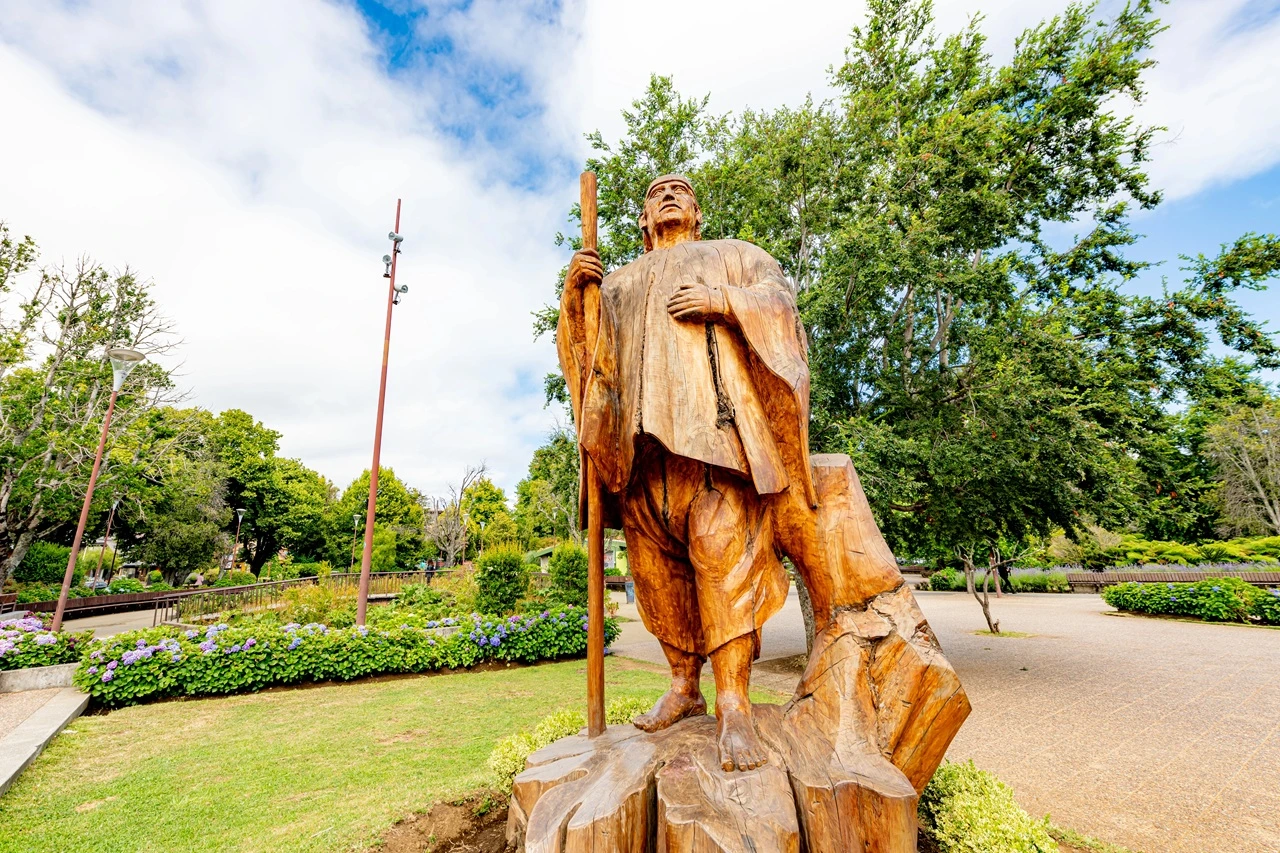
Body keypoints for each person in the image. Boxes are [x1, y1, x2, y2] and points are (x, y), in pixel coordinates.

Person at [560, 174, 867, 771]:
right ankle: (683, 685)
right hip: (640, 454)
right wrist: (577, 300)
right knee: (656, 576)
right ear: (644, 222)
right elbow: (586, 361)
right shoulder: (615, 284)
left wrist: (724, 302)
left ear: (698, 212)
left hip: (717, 440)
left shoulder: (734, 257)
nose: (668, 197)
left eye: (680, 191)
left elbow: (782, 306)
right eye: (655, 195)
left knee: (723, 557)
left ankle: (732, 704)